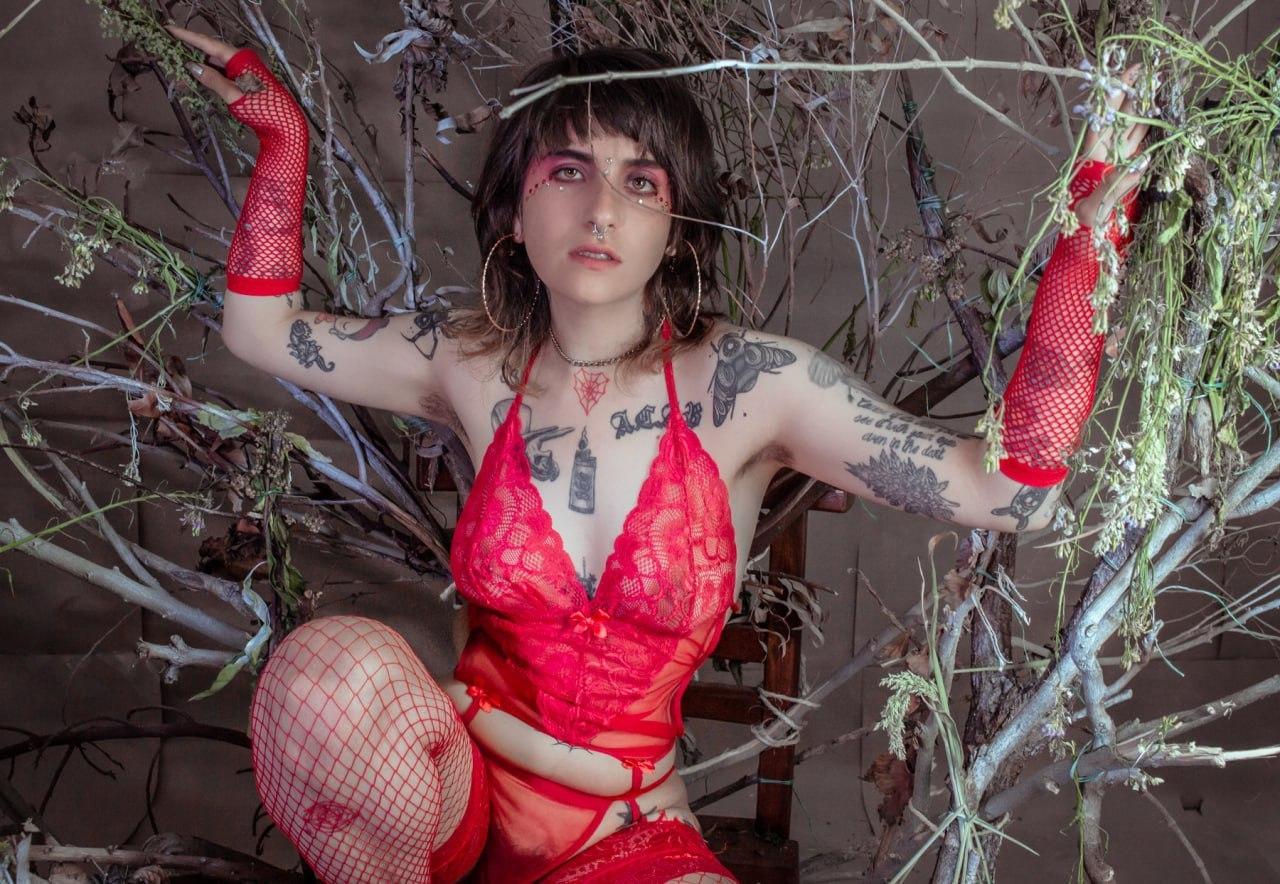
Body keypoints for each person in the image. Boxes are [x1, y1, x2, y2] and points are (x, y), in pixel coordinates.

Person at [166, 22, 1148, 884]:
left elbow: (1008, 490)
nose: (602, 209)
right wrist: (283, 146)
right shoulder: (466, 360)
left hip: (622, 833)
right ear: (512, 208)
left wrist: (1085, 248)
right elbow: (262, 333)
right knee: (326, 673)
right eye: (567, 170)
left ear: (675, 227)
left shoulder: (752, 385)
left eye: (640, 180)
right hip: (449, 805)